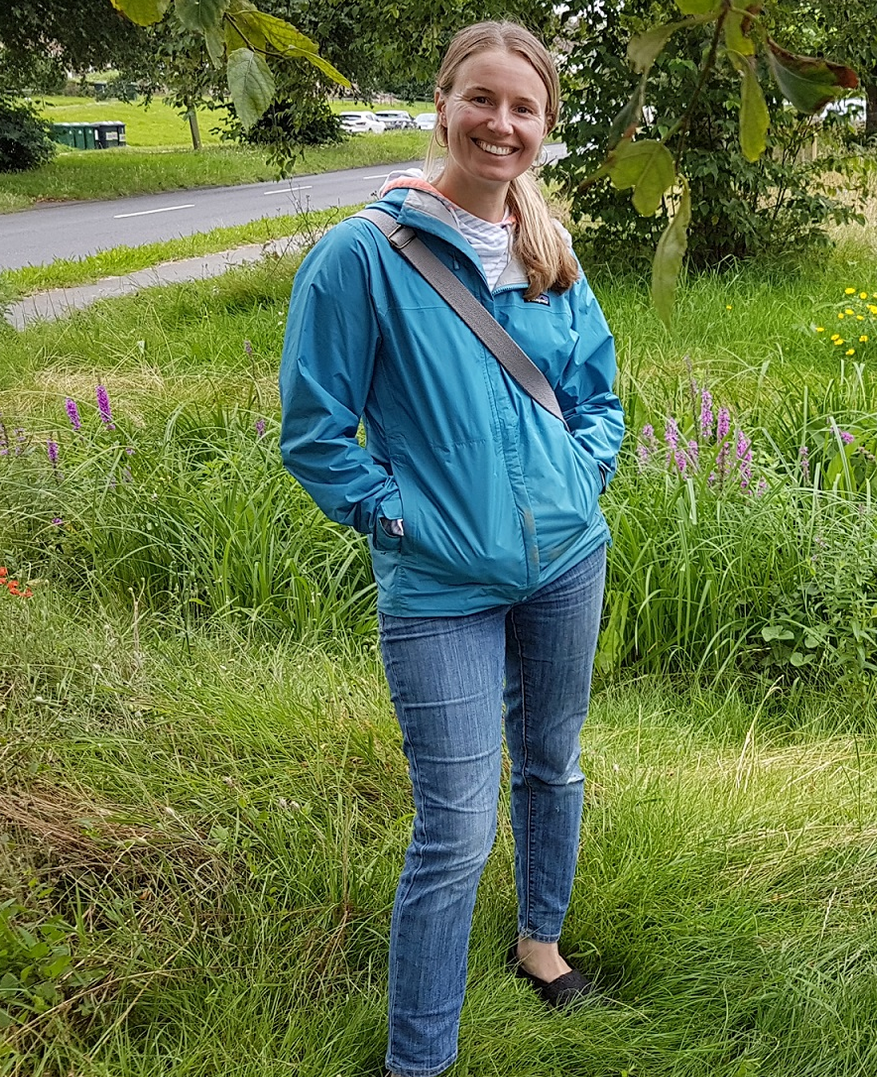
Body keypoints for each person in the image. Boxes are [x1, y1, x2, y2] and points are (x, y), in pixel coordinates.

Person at [277, 21, 621, 1077]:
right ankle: (418, 1058)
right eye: (483, 100)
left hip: (565, 561)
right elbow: (315, 429)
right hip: (438, 587)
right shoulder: (362, 258)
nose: (501, 125)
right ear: (442, 105)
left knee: (553, 765)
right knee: (455, 827)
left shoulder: (545, 246)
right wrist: (397, 518)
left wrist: (578, 479)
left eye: (524, 109)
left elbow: (598, 395)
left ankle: (540, 941)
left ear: (545, 127)